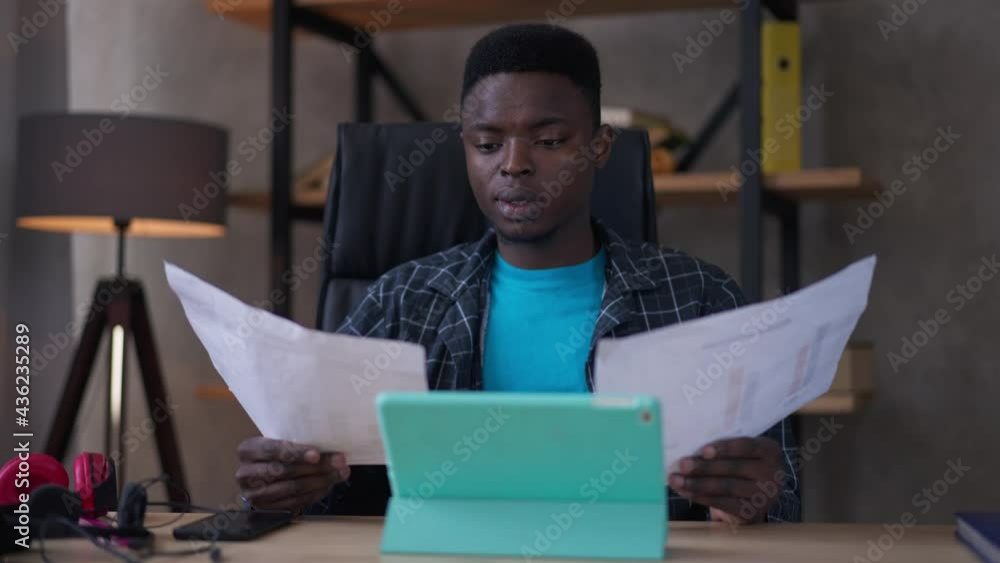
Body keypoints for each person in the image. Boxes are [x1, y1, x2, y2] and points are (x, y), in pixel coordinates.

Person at [235, 23, 800, 525]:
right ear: (465, 149)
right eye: (487, 143)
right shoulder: (402, 301)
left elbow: (781, 501)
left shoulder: (700, 298)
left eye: (550, 141)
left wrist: (758, 502)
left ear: (600, 147)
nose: (513, 164)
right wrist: (288, 486)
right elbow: (330, 492)